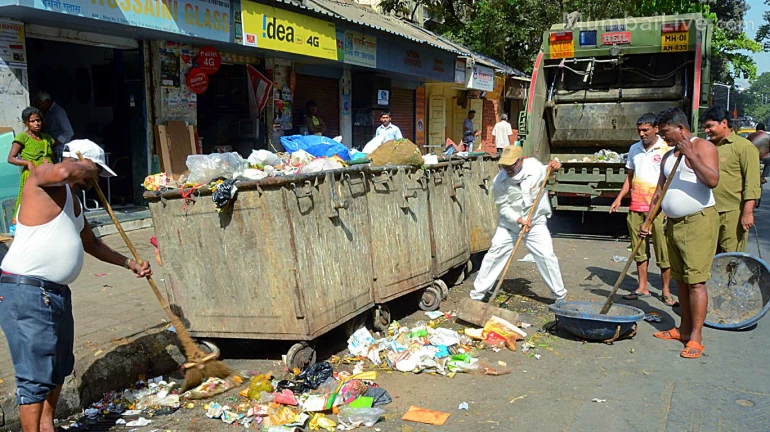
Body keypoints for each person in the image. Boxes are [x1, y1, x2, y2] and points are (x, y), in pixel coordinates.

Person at [0, 139, 152, 432]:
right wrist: (83, 165)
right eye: (94, 173)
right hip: (28, 292)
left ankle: (48, 426)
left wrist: (128, 264)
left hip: (56, 294)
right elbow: (60, 173)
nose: (93, 181)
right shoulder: (43, 178)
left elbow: (91, 243)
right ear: (78, 162)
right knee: (34, 377)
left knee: (59, 368)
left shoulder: (74, 202)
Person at [641, 107, 719, 359]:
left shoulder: (703, 148)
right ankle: (683, 330)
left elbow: (712, 180)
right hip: (672, 224)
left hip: (698, 222)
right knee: (681, 281)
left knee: (696, 281)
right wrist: (648, 220)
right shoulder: (668, 157)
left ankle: (696, 337)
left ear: (681, 129)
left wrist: (690, 155)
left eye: (666, 133)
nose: (664, 138)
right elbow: (659, 192)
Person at [470, 146, 568, 302]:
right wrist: (518, 219)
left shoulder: (534, 168)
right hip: (510, 226)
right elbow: (503, 207)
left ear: (522, 160)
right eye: (504, 165)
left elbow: (549, 168)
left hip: (535, 223)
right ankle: (476, 296)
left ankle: (560, 297)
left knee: (546, 257)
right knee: (494, 254)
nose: (508, 168)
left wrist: (555, 165)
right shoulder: (499, 182)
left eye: (512, 164)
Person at [610, 113, 674, 305]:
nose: (642, 133)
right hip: (636, 206)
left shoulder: (667, 148)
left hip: (659, 209)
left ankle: (666, 291)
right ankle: (642, 287)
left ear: (656, 129)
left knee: (663, 251)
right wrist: (619, 198)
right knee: (639, 251)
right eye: (639, 130)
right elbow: (630, 177)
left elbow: (671, 178)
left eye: (645, 130)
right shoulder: (634, 149)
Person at [700, 106, 761, 253]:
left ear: (724, 123)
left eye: (709, 126)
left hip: (732, 213)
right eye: (705, 128)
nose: (707, 131)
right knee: (706, 258)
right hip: (707, 212)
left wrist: (747, 213)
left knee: (730, 257)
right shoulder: (705, 147)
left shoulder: (744, 147)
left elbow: (752, 183)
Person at [7, 107, 55, 219]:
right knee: (31, 202)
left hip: (48, 174)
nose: (36, 123)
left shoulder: (46, 138)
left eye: (38, 120)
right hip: (32, 174)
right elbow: (11, 158)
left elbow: (52, 156)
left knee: (50, 201)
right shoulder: (23, 137)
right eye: (32, 121)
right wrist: (28, 163)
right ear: (26, 123)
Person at [33, 91, 74, 163]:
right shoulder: (47, 112)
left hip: (61, 150)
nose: (40, 107)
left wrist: (55, 143)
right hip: (53, 150)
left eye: (40, 104)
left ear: (47, 102)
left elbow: (69, 132)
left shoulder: (58, 112)